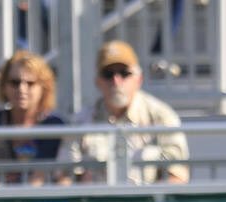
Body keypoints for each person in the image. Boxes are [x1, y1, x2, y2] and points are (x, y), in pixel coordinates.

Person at [61, 39, 189, 184]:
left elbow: (177, 175)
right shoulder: (81, 121)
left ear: (139, 79)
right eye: (108, 74)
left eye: (124, 73)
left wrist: (149, 201)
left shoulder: (162, 116)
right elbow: (65, 177)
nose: (116, 81)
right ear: (97, 81)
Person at [0, 50, 65, 187]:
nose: (22, 89)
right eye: (15, 82)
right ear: (4, 86)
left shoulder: (55, 126)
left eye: (30, 83)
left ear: (43, 88)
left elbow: (65, 176)